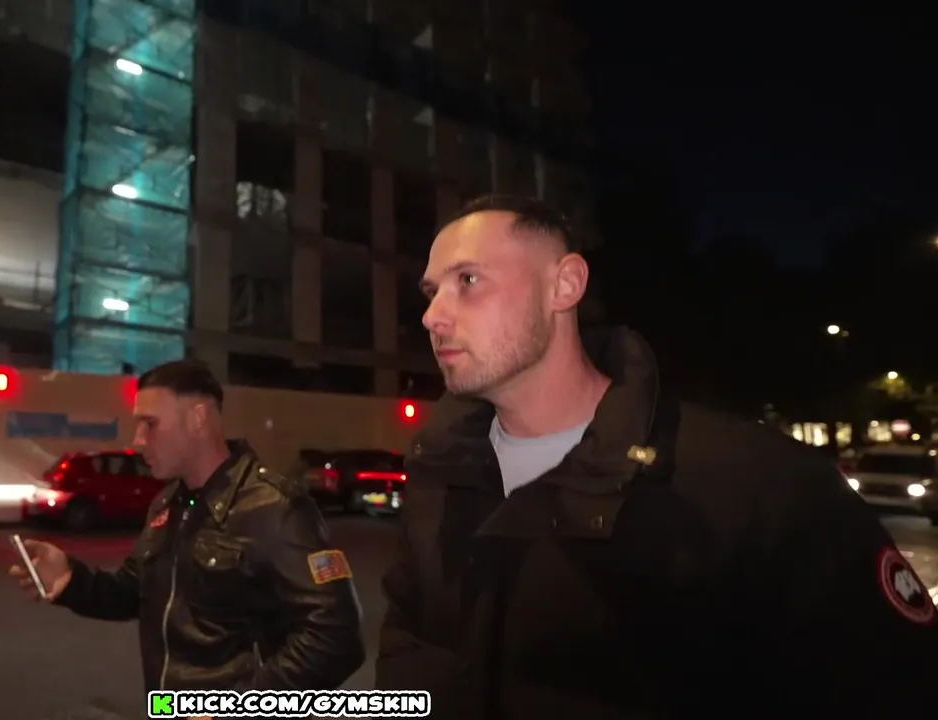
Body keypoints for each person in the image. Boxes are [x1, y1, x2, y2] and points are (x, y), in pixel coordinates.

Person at [375, 194, 938, 717]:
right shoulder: (437, 473)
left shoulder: (760, 484)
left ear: (564, 285)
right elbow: (406, 648)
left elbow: (894, 686)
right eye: (431, 292)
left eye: (468, 280)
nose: (432, 316)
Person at [11, 359, 365, 699]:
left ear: (198, 418)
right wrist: (71, 580)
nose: (138, 440)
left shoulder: (275, 507)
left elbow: (336, 637)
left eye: (150, 424)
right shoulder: (166, 504)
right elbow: (134, 591)